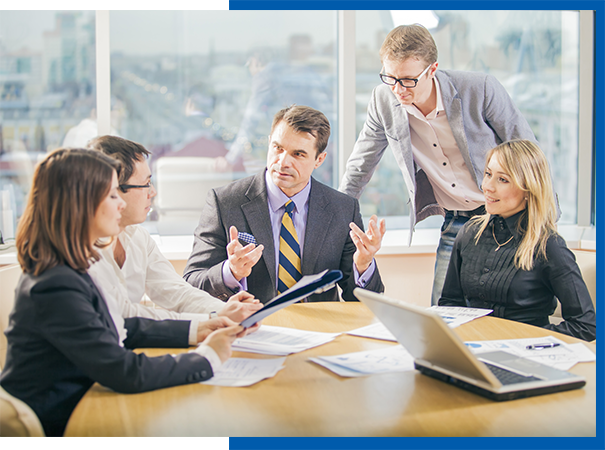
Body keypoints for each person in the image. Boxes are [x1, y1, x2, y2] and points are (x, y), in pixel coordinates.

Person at [0, 148, 245, 436]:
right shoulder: (55, 284)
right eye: (112, 195)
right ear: (82, 204)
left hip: (84, 397)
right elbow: (124, 372)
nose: (121, 204)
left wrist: (197, 329)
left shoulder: (71, 267)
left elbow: (119, 327)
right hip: (60, 418)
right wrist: (207, 357)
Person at [338, 24, 538, 306]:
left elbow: (529, 154)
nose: (397, 89)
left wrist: (544, 221)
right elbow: (360, 166)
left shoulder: (479, 89)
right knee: (443, 313)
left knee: (508, 307)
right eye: (390, 78)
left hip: (510, 217)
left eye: (408, 80)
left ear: (432, 70)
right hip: (456, 220)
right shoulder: (383, 100)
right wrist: (335, 221)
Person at [184, 105, 385, 303]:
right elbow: (192, 283)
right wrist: (230, 272)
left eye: (298, 154)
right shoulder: (225, 202)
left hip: (317, 323)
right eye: (278, 148)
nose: (282, 162)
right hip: (253, 321)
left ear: (319, 159)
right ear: (269, 143)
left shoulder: (342, 209)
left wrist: (363, 265)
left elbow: (365, 301)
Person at [86, 135, 263, 325]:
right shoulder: (82, 247)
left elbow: (175, 291)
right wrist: (212, 319)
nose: (153, 192)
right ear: (113, 188)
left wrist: (224, 310)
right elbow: (125, 314)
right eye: (145, 184)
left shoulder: (138, 237)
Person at [438, 140, 596, 341]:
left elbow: (586, 325)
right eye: (488, 174)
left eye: (502, 179)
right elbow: (450, 303)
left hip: (525, 354)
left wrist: (525, 340)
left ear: (529, 189)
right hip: (475, 349)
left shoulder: (549, 246)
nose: (487, 186)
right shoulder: (470, 233)